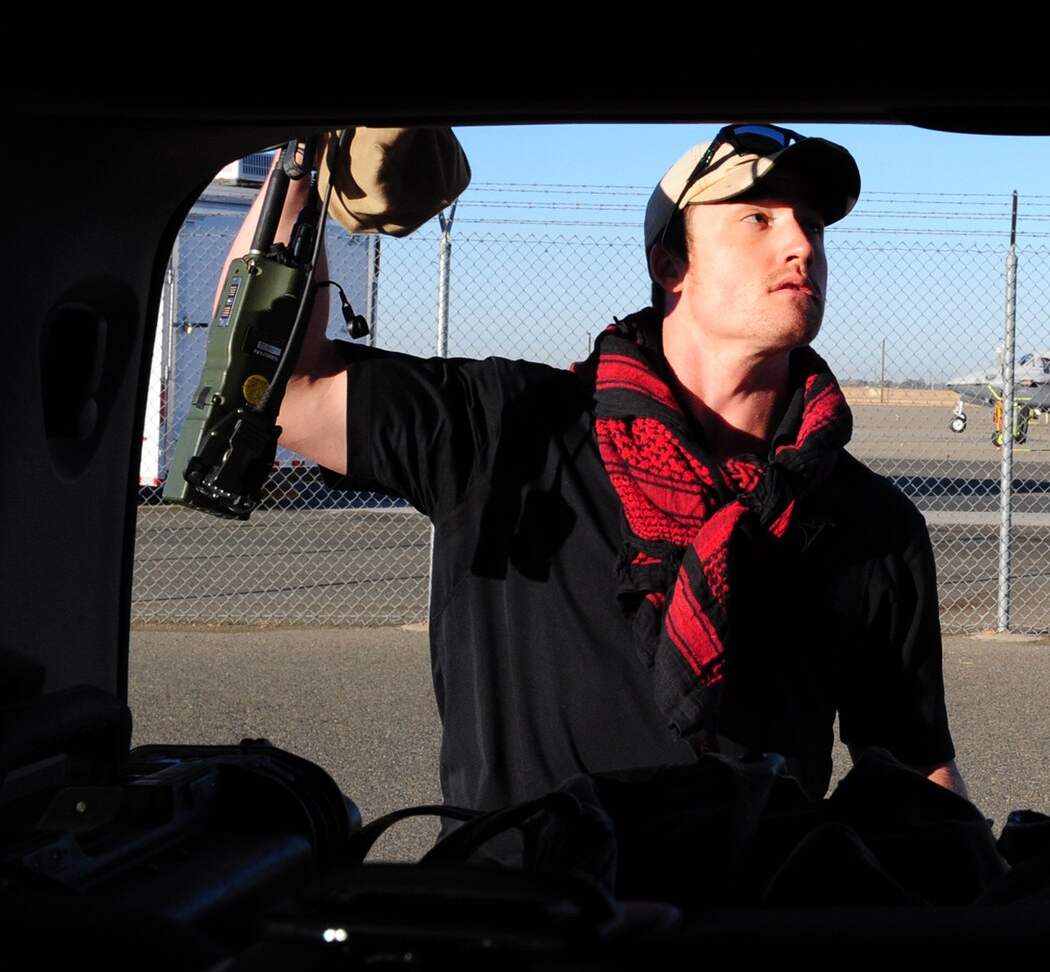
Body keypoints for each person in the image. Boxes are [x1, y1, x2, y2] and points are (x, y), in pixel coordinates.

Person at [257, 124, 963, 817]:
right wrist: (306, 155)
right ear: (670, 265)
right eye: (757, 217)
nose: (800, 243)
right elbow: (288, 388)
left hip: (750, 925)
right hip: (532, 920)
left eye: (812, 223)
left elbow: (913, 769)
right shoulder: (514, 428)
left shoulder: (870, 524)